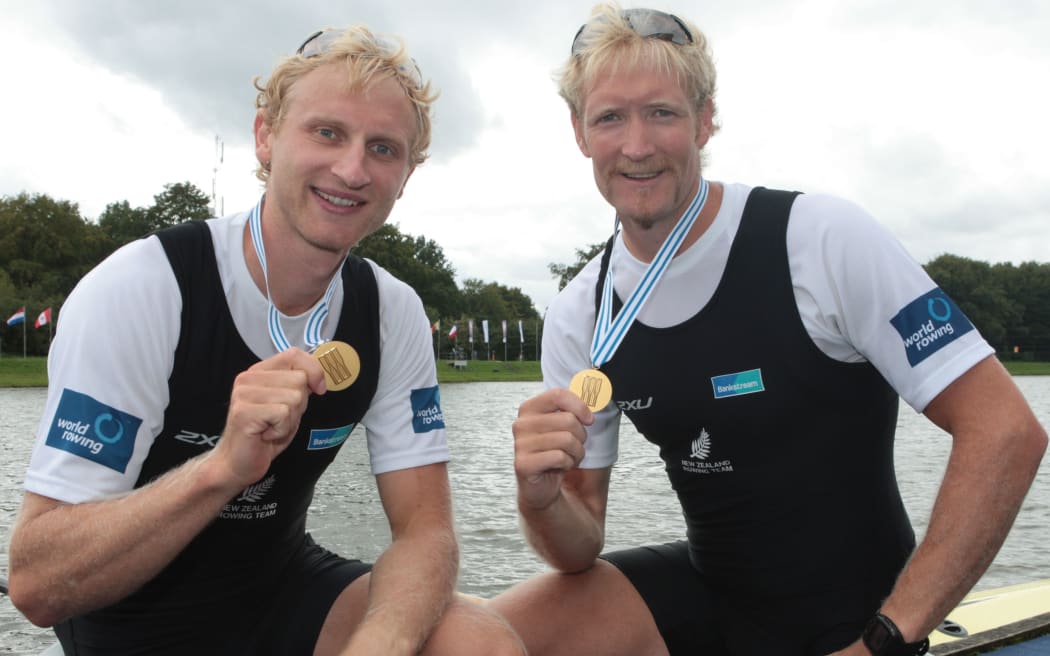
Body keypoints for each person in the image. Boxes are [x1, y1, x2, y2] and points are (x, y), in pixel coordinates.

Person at [489, 4, 1048, 655]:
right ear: (580, 132)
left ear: (705, 119)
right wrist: (538, 498)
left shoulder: (823, 239)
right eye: (610, 116)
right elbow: (579, 544)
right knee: (464, 636)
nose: (636, 144)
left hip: (859, 622)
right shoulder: (578, 312)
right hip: (707, 600)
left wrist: (886, 640)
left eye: (662, 113)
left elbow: (1006, 432)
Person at [8, 25, 522, 656]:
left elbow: (425, 529)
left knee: (476, 640)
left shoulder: (393, 310)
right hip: (132, 624)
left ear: (407, 175)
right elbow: (36, 584)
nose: (352, 169)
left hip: (281, 589)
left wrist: (381, 642)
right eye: (327, 132)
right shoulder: (143, 287)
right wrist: (222, 468)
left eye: (383, 148)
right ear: (266, 135)